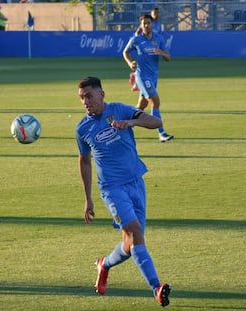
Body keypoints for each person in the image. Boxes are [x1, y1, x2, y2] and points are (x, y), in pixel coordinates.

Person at [76, 76, 171, 307]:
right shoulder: (82, 128)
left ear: (102, 94)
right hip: (112, 189)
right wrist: (88, 199)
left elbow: (155, 122)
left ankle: (104, 264)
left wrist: (131, 123)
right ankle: (157, 288)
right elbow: (85, 162)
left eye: (89, 95)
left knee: (131, 245)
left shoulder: (120, 110)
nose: (85, 101)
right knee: (136, 233)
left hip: (136, 182)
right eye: (81, 98)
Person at [123, 14, 174, 143]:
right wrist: (130, 63)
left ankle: (126, 125)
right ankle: (161, 133)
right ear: (141, 25)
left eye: (148, 23)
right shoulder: (136, 39)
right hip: (142, 76)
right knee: (155, 102)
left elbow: (168, 57)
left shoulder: (159, 39)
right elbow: (125, 52)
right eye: (144, 23)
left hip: (153, 77)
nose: (146, 25)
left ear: (152, 24)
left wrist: (162, 53)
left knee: (141, 105)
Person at [129, 7, 164, 92]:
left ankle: (134, 77)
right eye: (154, 13)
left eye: (157, 13)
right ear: (151, 14)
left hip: (153, 45)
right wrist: (138, 40)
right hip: (144, 45)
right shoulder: (146, 22)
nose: (156, 15)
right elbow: (138, 32)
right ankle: (135, 81)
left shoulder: (158, 24)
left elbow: (157, 35)